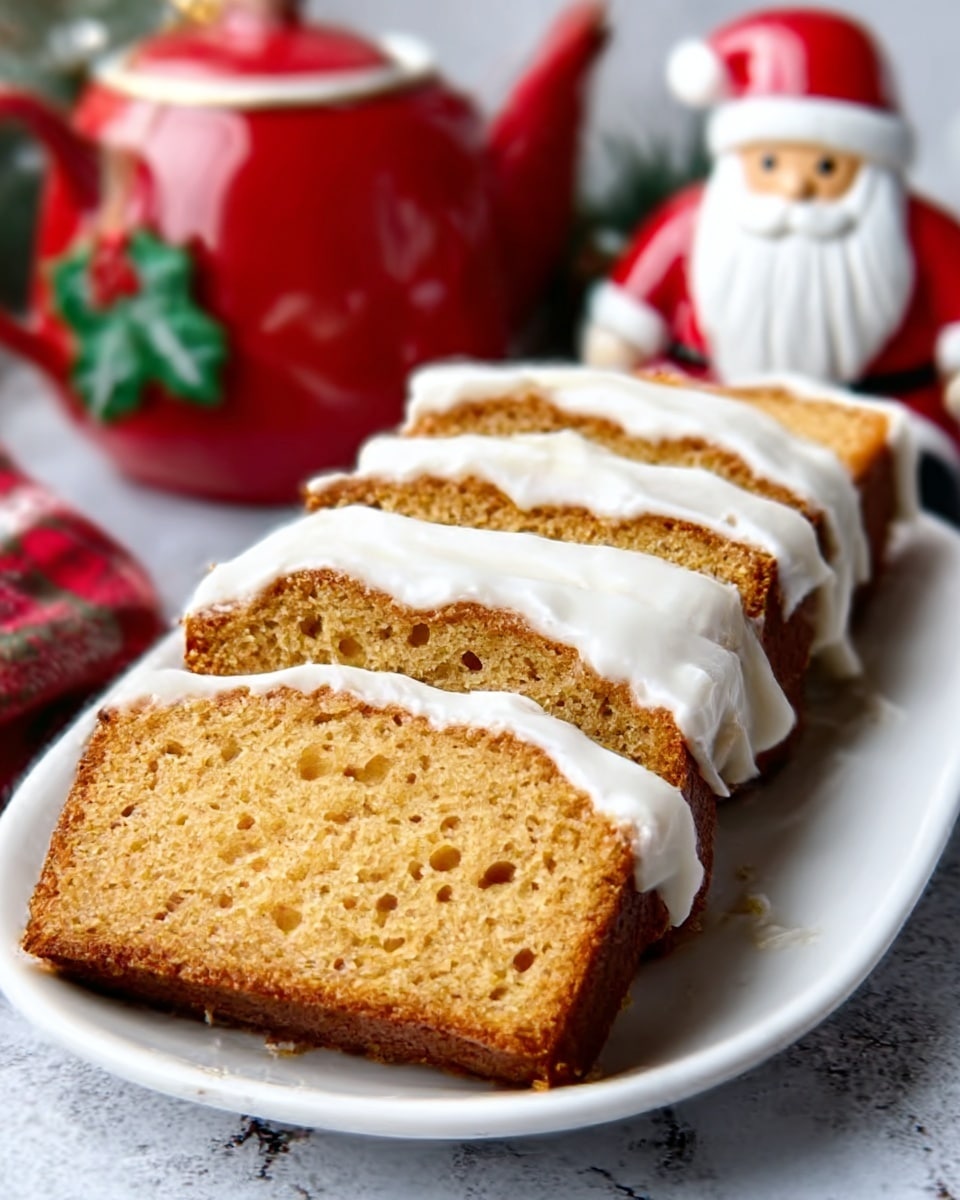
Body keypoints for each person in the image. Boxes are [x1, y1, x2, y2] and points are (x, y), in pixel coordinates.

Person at [581, 7, 960, 477]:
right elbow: (628, 317)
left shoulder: (921, 231)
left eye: (825, 169)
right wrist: (618, 345)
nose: (794, 190)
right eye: (769, 166)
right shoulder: (690, 225)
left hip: (891, 423)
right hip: (707, 412)